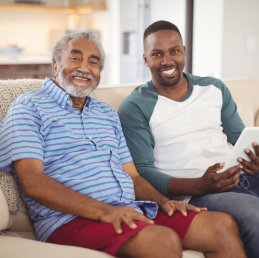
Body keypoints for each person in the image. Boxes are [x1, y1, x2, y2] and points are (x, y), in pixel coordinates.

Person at [0, 32, 246, 258]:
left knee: (221, 226)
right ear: (55, 65)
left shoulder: (105, 113)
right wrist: (104, 211)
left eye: (94, 62)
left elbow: (133, 176)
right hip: (70, 220)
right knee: (161, 241)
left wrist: (163, 201)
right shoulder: (29, 107)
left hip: (130, 209)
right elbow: (33, 182)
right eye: (75, 59)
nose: (85, 68)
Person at [118, 20, 259, 258]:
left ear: (184, 51)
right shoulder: (134, 107)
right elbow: (142, 171)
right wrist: (200, 184)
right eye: (157, 54)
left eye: (174, 51)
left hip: (242, 176)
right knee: (256, 214)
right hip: (197, 192)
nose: (167, 61)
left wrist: (256, 160)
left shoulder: (214, 88)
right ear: (145, 59)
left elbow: (240, 138)